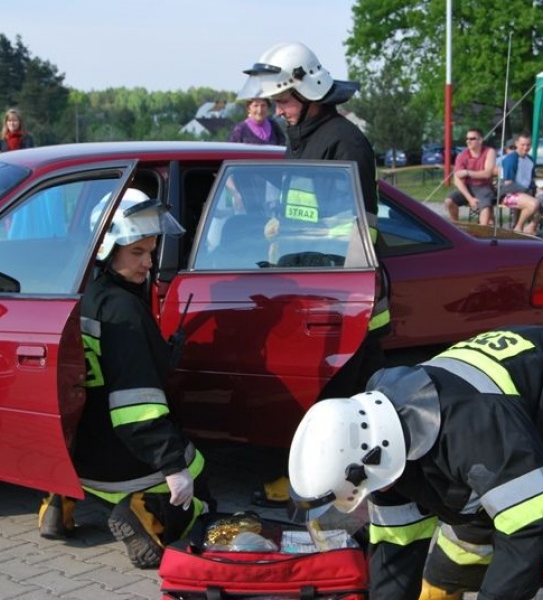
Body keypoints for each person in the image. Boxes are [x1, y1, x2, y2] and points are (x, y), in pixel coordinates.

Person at [287, 325, 543, 599]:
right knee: (473, 513)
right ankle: (450, 580)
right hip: (510, 397)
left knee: (533, 515)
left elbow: (533, 529)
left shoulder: (473, 430)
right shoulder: (378, 431)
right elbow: (397, 544)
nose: (365, 501)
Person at [237, 41, 388, 507]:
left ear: (310, 91)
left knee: (340, 397)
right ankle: (313, 476)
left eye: (284, 101)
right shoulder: (302, 136)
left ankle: (326, 489)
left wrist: (345, 295)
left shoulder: (346, 142)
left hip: (345, 291)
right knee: (316, 391)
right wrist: (280, 226)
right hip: (311, 279)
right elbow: (309, 202)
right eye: (278, 103)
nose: (279, 111)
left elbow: (361, 224)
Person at [37, 189, 214, 568]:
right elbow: (137, 411)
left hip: (77, 457)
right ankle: (143, 511)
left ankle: (62, 498)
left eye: (150, 251)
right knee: (201, 482)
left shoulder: (82, 295)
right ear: (106, 248)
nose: (148, 263)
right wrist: (173, 466)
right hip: (121, 459)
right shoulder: (125, 311)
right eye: (137, 252)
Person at [443, 128, 497, 226]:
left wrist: (467, 172)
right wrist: (470, 199)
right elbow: (457, 179)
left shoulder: (489, 152)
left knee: (485, 207)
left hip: (484, 186)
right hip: (467, 187)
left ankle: (483, 231)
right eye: (467, 138)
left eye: (472, 138)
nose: (468, 141)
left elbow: (487, 173)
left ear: (480, 140)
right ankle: (456, 227)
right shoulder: (462, 155)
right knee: (449, 201)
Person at [497, 133, 540, 234]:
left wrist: (538, 189)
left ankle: (531, 227)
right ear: (516, 143)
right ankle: (518, 228)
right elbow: (508, 183)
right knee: (534, 204)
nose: (525, 147)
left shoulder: (530, 160)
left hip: (525, 192)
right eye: (523, 144)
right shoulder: (511, 159)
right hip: (507, 195)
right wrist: (527, 191)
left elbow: (531, 180)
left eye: (528, 145)